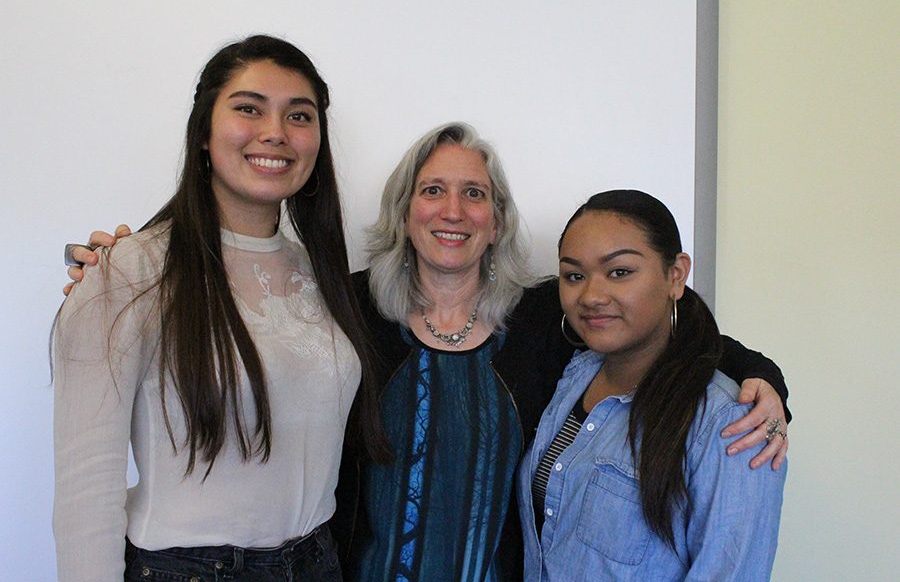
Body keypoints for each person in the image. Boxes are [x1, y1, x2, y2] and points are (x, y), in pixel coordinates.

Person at [65, 123, 790, 581]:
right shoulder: (337, 305)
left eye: (473, 193)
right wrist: (129, 267)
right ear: (403, 211)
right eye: (432, 190)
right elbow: (241, 303)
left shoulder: (546, 316)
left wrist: (762, 376)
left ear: (498, 218)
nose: (452, 210)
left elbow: (657, 325)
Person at [52, 35, 387, 581]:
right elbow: (87, 487)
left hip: (318, 562)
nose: (275, 132)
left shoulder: (321, 277)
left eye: (298, 115)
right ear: (205, 130)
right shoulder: (128, 272)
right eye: (248, 108)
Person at [517, 190, 786, 581]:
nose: (591, 295)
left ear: (675, 275)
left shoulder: (730, 424)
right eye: (574, 275)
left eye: (619, 272)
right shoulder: (574, 373)